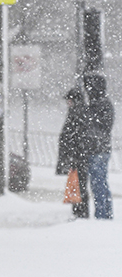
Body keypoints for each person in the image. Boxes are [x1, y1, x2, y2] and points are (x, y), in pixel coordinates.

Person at [56, 87, 90, 219]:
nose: (68, 103)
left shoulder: (77, 112)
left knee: (78, 185)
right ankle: (79, 211)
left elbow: (72, 135)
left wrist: (71, 153)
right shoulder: (78, 111)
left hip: (77, 155)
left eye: (69, 100)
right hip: (77, 154)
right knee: (77, 184)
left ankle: (80, 212)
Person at [84, 75, 114, 219]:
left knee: (98, 183)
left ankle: (102, 213)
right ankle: (105, 212)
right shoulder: (104, 104)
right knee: (101, 182)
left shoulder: (98, 105)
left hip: (97, 149)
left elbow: (100, 127)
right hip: (102, 148)